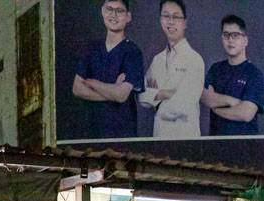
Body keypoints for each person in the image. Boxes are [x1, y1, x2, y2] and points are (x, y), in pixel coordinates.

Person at [72, 0, 145, 140]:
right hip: (93, 133)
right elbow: (77, 89)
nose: (113, 15)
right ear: (102, 11)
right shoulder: (91, 49)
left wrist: (92, 83)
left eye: (119, 11)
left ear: (128, 17)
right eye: (109, 9)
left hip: (122, 134)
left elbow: (121, 95)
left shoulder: (132, 52)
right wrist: (112, 92)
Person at [140, 0, 204, 139]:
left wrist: (155, 95)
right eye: (166, 16)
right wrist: (163, 93)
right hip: (160, 135)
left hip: (186, 136)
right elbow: (142, 96)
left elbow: (183, 106)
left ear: (185, 23)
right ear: (160, 20)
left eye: (176, 17)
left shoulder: (195, 59)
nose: (170, 21)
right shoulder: (157, 60)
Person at [200, 15, 264, 136]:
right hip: (215, 143)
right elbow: (204, 96)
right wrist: (232, 101)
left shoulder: (254, 74)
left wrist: (216, 108)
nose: (230, 40)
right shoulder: (215, 69)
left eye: (235, 35)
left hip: (244, 144)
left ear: (245, 40)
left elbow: (246, 114)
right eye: (226, 35)